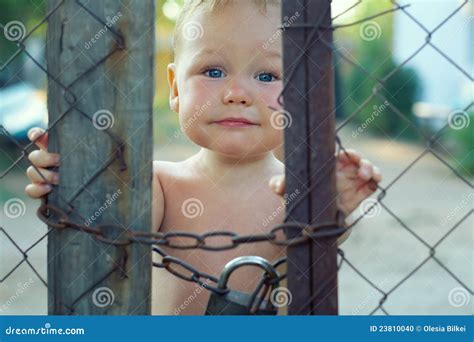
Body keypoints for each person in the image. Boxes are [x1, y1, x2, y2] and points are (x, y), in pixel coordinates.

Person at [25, 0, 382, 315]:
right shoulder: (157, 183)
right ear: (176, 89)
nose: (236, 93)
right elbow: (106, 225)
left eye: (267, 75)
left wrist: (331, 204)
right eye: (213, 71)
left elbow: (322, 245)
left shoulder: (299, 192)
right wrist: (71, 177)